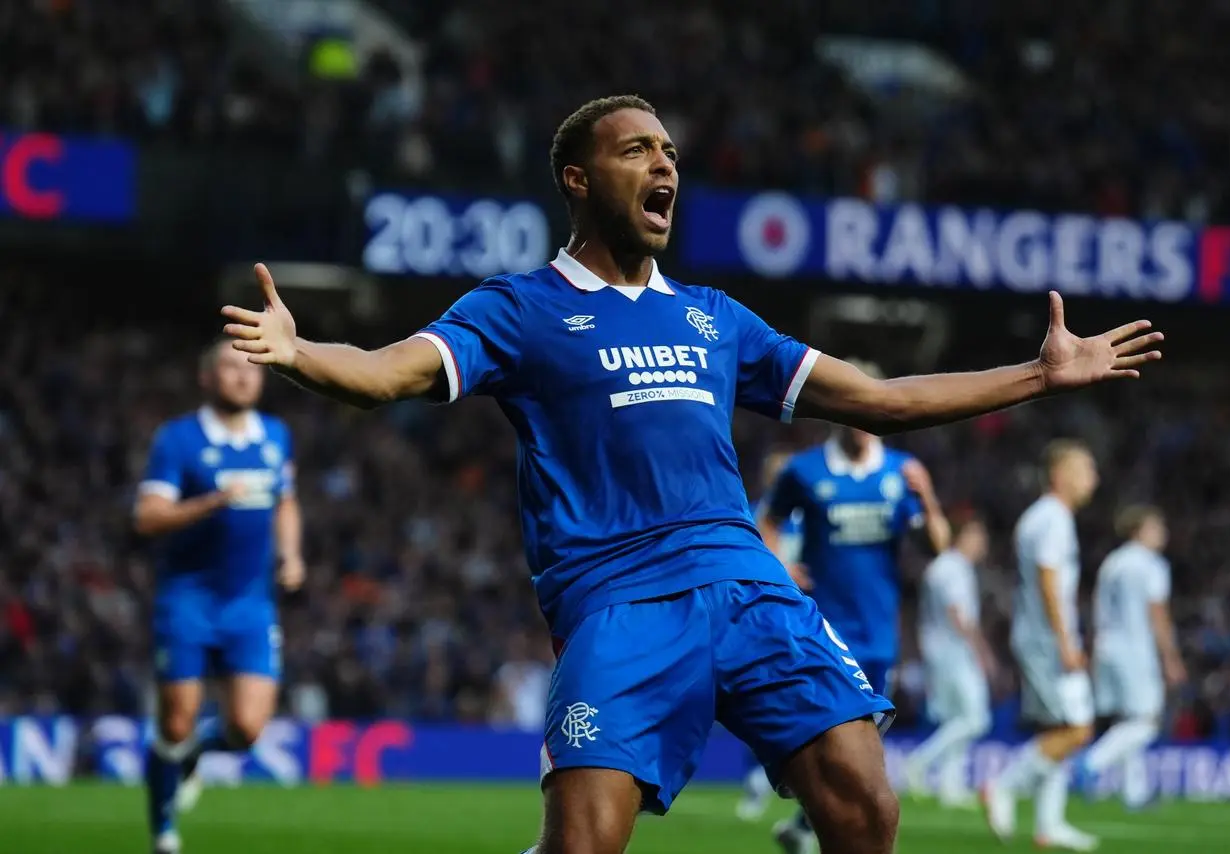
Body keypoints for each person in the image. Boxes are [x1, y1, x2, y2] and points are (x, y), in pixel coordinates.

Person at [219, 94, 1162, 854]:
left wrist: (1038, 375)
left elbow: (880, 399)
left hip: (748, 585)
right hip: (618, 601)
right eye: (637, 150)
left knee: (867, 808)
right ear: (578, 180)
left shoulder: (716, 318)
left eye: (669, 150)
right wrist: (301, 353)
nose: (664, 164)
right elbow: (391, 373)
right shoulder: (520, 309)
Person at [759, 379, 952, 854]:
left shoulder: (901, 470)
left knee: (860, 740)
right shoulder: (804, 472)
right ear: (836, 412)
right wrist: (778, 565)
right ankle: (835, 828)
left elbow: (938, 546)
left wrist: (927, 500)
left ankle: (807, 826)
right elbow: (767, 521)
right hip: (822, 624)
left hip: (878, 629)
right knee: (840, 735)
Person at [134, 338, 305, 854]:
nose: (242, 376)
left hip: (250, 605)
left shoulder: (275, 435)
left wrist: (291, 555)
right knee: (176, 720)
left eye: (251, 368)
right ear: (207, 378)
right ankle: (163, 830)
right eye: (230, 367)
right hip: (187, 600)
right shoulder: (178, 440)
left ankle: (192, 757)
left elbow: (285, 502)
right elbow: (146, 517)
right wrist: (211, 502)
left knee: (248, 728)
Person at [983, 441, 1101, 852]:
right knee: (1077, 728)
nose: (1093, 479)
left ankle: (1049, 826)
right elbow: (1049, 581)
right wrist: (1066, 640)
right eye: (1084, 469)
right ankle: (1004, 785)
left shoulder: (1042, 517)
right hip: (1047, 639)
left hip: (1040, 635)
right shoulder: (1053, 519)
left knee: (1058, 728)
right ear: (1059, 474)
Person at [1074, 506, 1184, 808]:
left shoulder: (1112, 563)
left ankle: (1134, 793)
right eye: (1156, 527)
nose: (1163, 533)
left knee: (1127, 720)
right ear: (1140, 529)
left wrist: (1094, 651)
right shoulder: (1151, 564)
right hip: (1136, 649)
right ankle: (1091, 763)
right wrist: (1170, 656)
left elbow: (1096, 610)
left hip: (1107, 647)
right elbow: (1157, 612)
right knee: (1147, 722)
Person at [904, 515, 994, 808]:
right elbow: (959, 615)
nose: (984, 543)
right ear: (963, 535)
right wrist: (982, 651)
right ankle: (919, 761)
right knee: (975, 719)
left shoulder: (941, 567)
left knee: (957, 719)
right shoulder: (955, 568)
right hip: (956, 652)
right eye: (978, 536)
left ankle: (949, 785)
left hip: (938, 651)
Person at [736, 449, 803, 822]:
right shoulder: (753, 513)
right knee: (760, 697)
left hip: (801, 617)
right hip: (763, 617)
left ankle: (783, 778)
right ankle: (754, 781)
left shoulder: (806, 516)